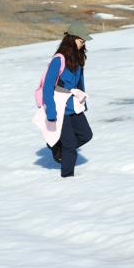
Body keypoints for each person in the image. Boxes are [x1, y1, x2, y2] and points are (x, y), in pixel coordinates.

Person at [43, 22, 94, 177]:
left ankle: (57, 146)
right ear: (72, 39)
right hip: (60, 107)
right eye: (81, 40)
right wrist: (51, 112)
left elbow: (80, 83)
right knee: (70, 145)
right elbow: (47, 87)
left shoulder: (78, 59)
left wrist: (82, 103)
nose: (84, 43)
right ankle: (67, 178)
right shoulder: (58, 60)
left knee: (86, 135)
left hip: (74, 105)